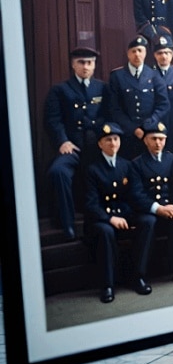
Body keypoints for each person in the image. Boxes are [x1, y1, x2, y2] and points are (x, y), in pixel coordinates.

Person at [82, 123, 156, 303]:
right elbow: (91, 204)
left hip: (124, 214)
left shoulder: (127, 165)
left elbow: (133, 195)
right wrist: (110, 218)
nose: (113, 143)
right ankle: (107, 284)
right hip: (100, 218)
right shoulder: (92, 169)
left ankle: (138, 276)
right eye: (108, 140)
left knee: (148, 220)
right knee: (106, 231)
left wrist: (126, 215)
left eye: (116, 139)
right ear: (100, 144)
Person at [44, 44, 107, 239]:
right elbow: (53, 120)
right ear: (73, 64)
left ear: (94, 65)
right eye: (81, 62)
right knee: (58, 172)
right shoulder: (60, 90)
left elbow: (109, 116)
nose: (85, 67)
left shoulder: (102, 88)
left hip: (97, 148)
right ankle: (67, 223)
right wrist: (62, 141)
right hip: (73, 148)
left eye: (89, 63)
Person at [131, 122, 173, 286]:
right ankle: (140, 275)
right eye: (154, 139)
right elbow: (137, 194)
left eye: (161, 139)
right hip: (148, 209)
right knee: (148, 222)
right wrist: (158, 208)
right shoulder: (137, 163)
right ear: (145, 140)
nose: (158, 143)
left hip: (170, 207)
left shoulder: (172, 159)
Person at [106, 35, 169, 160]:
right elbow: (114, 108)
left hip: (151, 132)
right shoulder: (117, 76)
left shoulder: (155, 75)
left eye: (140, 50)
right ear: (128, 54)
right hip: (126, 134)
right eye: (133, 51)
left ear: (145, 53)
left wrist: (149, 124)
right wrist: (133, 129)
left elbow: (163, 104)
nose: (137, 54)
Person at [149, 34, 173, 153]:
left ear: (172, 54)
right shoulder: (149, 75)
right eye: (160, 53)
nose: (164, 56)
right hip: (158, 123)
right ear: (155, 55)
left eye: (167, 53)